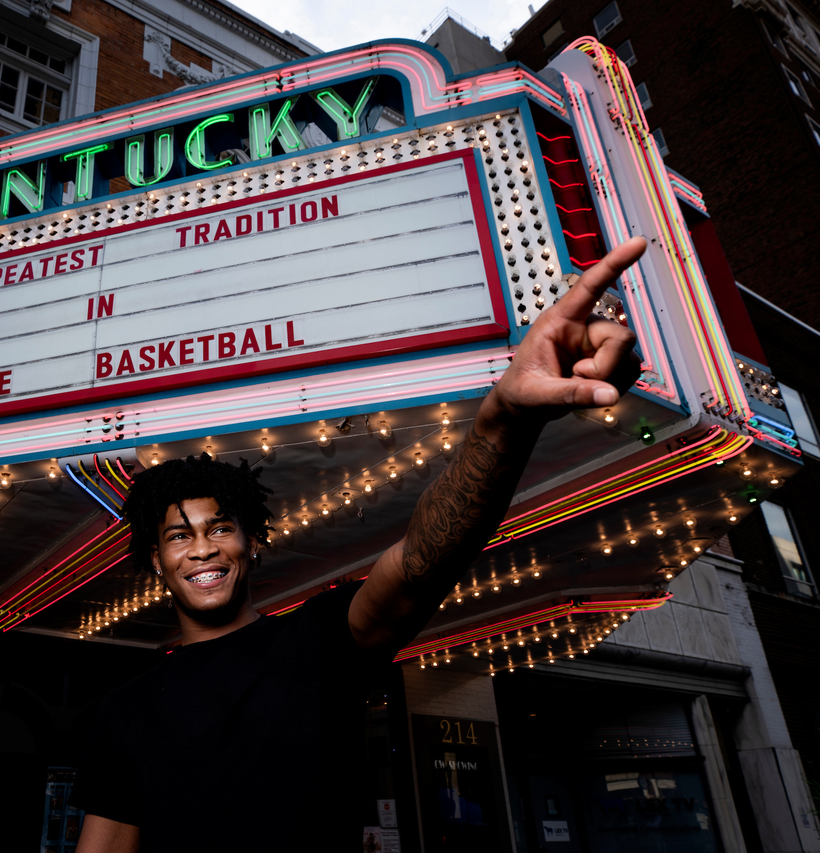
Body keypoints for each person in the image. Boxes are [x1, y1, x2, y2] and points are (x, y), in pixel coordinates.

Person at [71, 237, 649, 852]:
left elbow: (422, 563)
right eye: (179, 537)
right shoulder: (122, 713)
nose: (203, 549)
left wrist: (503, 418)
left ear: (250, 544)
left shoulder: (315, 643)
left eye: (219, 528)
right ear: (158, 563)